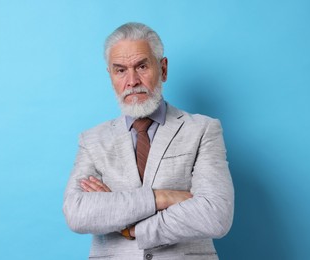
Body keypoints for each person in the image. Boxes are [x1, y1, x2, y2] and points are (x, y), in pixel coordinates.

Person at [63, 22, 234, 260]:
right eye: (120, 70)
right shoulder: (92, 141)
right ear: (110, 76)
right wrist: (161, 197)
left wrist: (133, 228)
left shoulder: (203, 129)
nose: (132, 81)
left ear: (163, 69)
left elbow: (215, 215)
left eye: (141, 66)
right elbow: (78, 213)